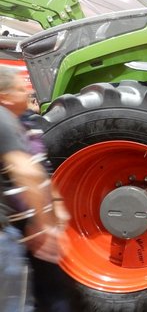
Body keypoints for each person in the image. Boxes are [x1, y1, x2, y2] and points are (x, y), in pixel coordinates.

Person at [0, 65, 66, 311]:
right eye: (19, 88)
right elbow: (26, 171)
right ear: (4, 96)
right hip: (10, 234)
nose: (26, 91)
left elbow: (41, 170)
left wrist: (56, 207)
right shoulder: (3, 121)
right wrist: (44, 225)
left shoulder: (27, 125)